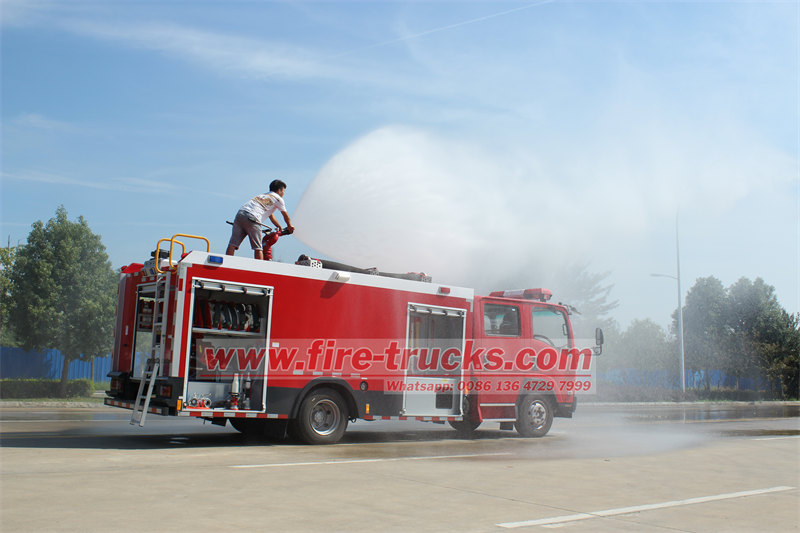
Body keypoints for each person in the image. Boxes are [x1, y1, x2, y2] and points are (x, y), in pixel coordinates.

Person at [226, 179, 294, 260]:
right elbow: (285, 215)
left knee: (232, 244)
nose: (283, 193)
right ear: (279, 190)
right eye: (283, 191)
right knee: (258, 247)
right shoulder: (278, 199)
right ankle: (259, 269)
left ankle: (226, 263)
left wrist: (279, 226)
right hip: (253, 218)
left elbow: (271, 215)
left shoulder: (263, 196)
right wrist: (289, 226)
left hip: (240, 214)